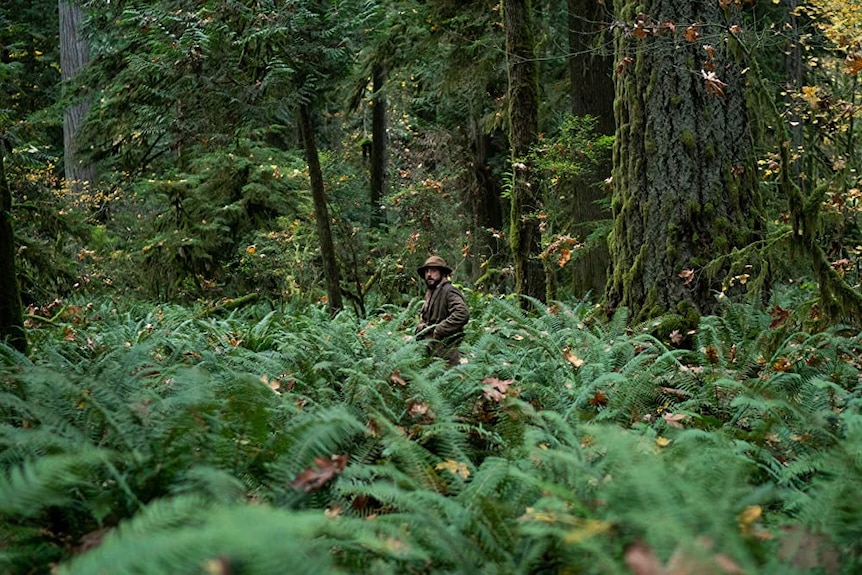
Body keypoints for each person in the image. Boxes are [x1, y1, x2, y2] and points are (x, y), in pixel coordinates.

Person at [415, 255, 469, 366]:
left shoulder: (449, 291)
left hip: (448, 350)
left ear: (442, 274)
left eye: (433, 271)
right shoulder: (431, 292)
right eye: (427, 271)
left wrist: (439, 329)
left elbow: (462, 313)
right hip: (433, 350)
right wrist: (423, 325)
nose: (429, 275)